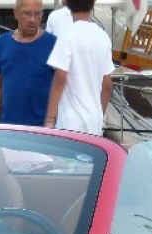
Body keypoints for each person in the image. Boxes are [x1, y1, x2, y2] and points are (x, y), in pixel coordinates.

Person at [44, 0, 114, 135]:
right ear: (93, 3)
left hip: (70, 122)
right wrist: (99, 116)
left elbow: (60, 78)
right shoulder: (102, 36)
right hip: (95, 121)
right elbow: (107, 85)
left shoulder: (67, 34)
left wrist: (50, 119)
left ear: (67, 3)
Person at [0, 0, 57, 125]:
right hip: (8, 128)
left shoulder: (53, 44)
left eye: (37, 14)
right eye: (27, 13)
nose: (32, 20)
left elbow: (61, 87)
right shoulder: (1, 43)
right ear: (16, 13)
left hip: (42, 131)